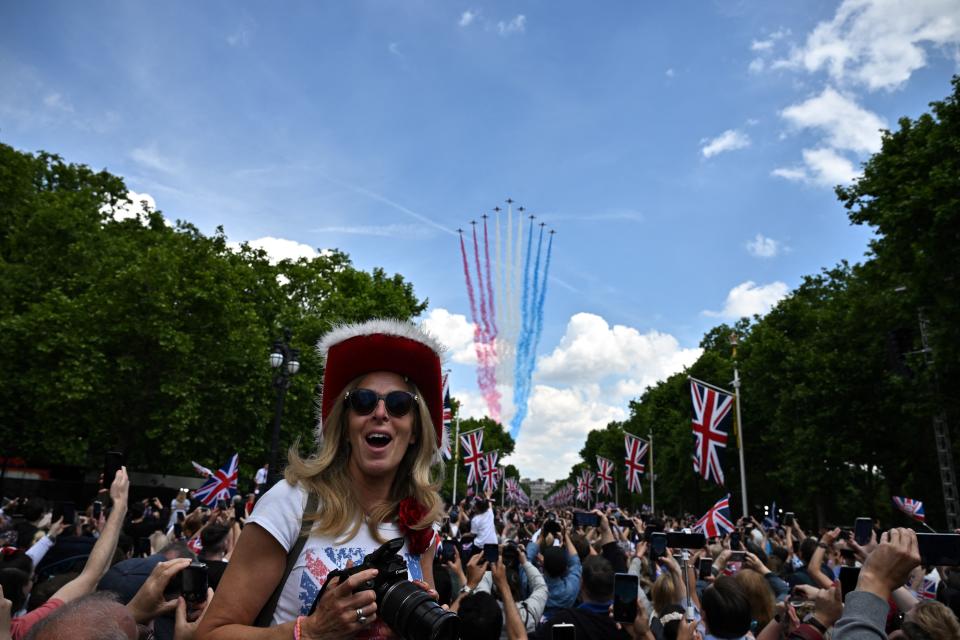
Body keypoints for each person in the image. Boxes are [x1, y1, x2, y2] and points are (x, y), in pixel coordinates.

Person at [196, 319, 449, 639]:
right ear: (344, 425)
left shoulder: (420, 523)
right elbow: (211, 634)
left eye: (399, 404)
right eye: (363, 401)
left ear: (415, 431)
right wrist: (311, 631)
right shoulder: (290, 503)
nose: (381, 413)